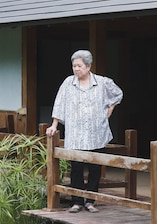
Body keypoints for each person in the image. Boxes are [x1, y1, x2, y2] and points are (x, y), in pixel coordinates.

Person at [45, 49, 123, 213]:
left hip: (96, 132)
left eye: (79, 66)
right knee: (77, 167)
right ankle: (77, 201)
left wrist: (111, 107)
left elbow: (118, 93)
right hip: (76, 133)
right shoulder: (68, 82)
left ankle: (90, 201)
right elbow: (59, 102)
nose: (76, 69)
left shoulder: (102, 82)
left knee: (95, 168)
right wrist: (54, 124)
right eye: (74, 66)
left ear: (88, 66)